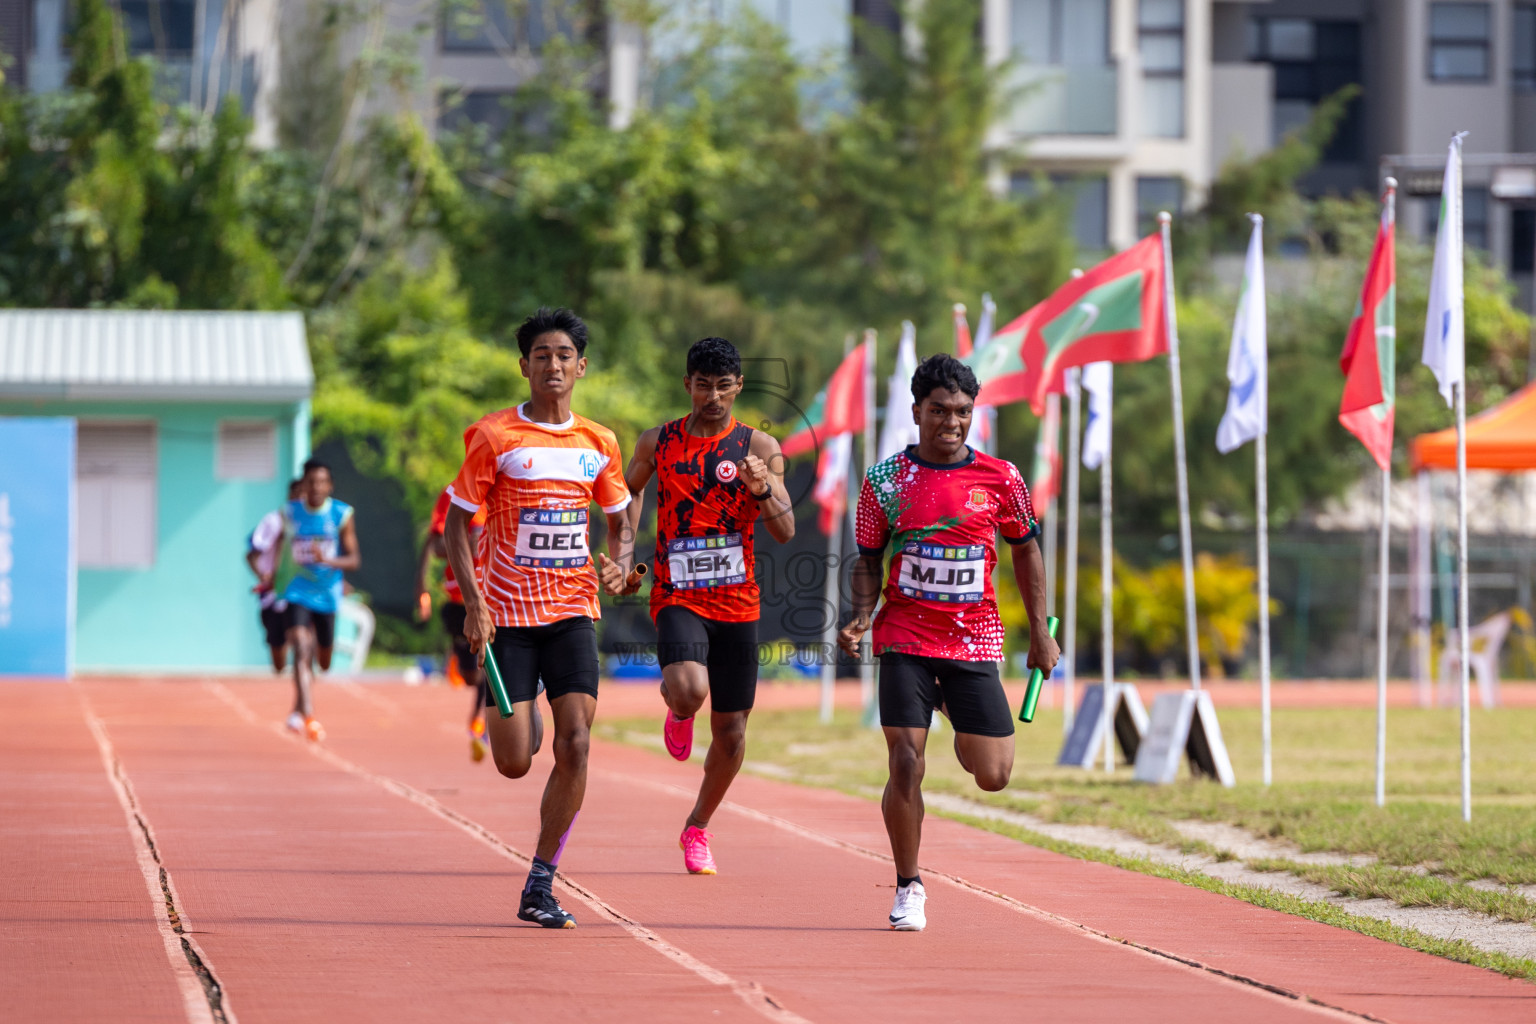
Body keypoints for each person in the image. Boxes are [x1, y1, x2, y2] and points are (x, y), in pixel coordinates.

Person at [838, 354, 1058, 932]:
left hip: (974, 637)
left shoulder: (1001, 478)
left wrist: (1039, 632)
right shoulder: (886, 481)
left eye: (962, 412)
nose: (951, 422)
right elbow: (868, 558)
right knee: (906, 762)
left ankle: (952, 710)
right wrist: (861, 616)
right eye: (939, 411)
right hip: (906, 634)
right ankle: (909, 885)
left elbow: (1026, 550)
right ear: (916, 411)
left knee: (993, 774)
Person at [444, 307, 635, 930]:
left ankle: (540, 883)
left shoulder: (598, 442)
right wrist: (473, 604)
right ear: (524, 365)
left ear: (581, 366)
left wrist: (620, 564)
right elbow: (454, 525)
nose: (553, 365)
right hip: (505, 618)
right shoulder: (495, 437)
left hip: (573, 611)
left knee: (576, 742)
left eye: (564, 355)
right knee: (514, 761)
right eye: (541, 355)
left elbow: (621, 521)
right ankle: (505, 704)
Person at [622, 337, 795, 875]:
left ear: (738, 386)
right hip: (676, 593)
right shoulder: (659, 441)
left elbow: (786, 530)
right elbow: (628, 495)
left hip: (738, 602)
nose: (713, 396)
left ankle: (697, 826)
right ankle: (678, 705)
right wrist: (625, 554)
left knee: (733, 733)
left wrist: (763, 488)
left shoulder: (759, 445)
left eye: (724, 386)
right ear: (687, 384)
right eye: (703, 385)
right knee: (692, 688)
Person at [415, 489, 519, 763]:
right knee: (470, 674)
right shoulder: (454, 492)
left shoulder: (514, 485)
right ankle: (459, 658)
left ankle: (480, 722)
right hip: (459, 597)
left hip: (496, 596)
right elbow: (435, 545)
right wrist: (464, 539)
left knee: (489, 661)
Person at [276, 458, 362, 742]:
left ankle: (300, 705)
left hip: (327, 595)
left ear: (330, 486)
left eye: (321, 482)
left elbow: (354, 559)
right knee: (300, 646)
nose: (316, 487)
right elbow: (278, 552)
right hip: (297, 591)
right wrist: (270, 578)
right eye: (311, 482)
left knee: (323, 661)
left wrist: (328, 559)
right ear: (304, 485)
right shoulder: (289, 514)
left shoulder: (340, 514)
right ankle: (308, 715)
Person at [247, 478, 303, 672]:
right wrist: (263, 575)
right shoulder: (273, 521)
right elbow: (251, 554)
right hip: (273, 596)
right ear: (291, 496)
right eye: (299, 495)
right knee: (278, 652)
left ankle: (304, 678)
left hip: (303, 593)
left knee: (302, 637)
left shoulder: (318, 524)